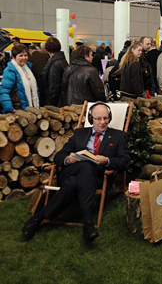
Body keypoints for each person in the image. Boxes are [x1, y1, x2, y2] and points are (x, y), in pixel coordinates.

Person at [21, 103, 130, 242]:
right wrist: (69, 159)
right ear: (91, 119)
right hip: (71, 171)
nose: (103, 122)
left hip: (97, 177)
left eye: (106, 118)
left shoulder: (118, 136)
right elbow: (59, 157)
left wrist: (106, 160)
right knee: (85, 165)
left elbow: (125, 161)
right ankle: (88, 222)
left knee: (74, 182)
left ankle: (37, 219)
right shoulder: (80, 133)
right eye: (98, 119)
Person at [0, 44, 40, 113]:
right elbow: (4, 92)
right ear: (13, 57)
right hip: (17, 110)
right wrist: (10, 109)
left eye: (25, 55)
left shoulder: (29, 68)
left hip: (29, 109)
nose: (24, 58)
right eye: (21, 55)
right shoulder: (10, 71)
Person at [40, 37, 68, 106]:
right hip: (61, 99)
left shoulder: (55, 64)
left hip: (55, 102)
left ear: (47, 49)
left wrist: (49, 104)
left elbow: (54, 87)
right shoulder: (62, 60)